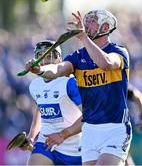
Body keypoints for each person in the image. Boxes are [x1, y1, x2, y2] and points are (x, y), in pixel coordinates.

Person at [25, 10, 132, 165]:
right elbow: (58, 69)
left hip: (115, 128)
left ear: (105, 27)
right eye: (86, 20)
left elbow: (106, 63)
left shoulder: (118, 52)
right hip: (89, 131)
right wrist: (40, 70)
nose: (86, 24)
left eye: (92, 21)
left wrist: (84, 37)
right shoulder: (78, 56)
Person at [22, 40, 82, 165]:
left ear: (58, 59)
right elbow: (40, 110)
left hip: (75, 149)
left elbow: (88, 115)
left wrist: (62, 135)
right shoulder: (35, 85)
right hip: (46, 143)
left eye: (48, 56)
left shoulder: (69, 83)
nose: (44, 61)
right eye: (40, 56)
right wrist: (32, 137)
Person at [126, 83, 142, 166]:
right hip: (93, 129)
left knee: (124, 156)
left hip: (120, 126)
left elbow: (138, 97)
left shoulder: (117, 82)